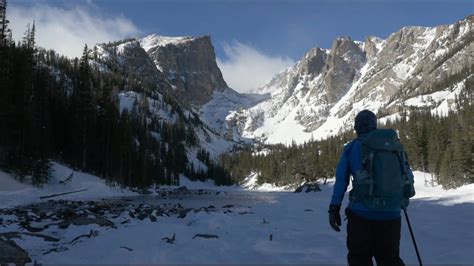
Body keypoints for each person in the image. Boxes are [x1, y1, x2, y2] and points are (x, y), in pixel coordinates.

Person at [328, 109, 415, 266]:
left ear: (357, 127)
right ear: (375, 125)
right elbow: (406, 173)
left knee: (359, 260)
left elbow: (341, 181)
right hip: (392, 214)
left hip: (361, 216)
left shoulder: (352, 148)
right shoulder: (393, 146)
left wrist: (334, 207)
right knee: (390, 260)